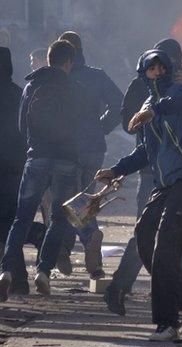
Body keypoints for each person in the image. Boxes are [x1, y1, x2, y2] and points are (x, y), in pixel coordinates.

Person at [94, 49, 182, 341]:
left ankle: (167, 323)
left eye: (161, 67)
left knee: (166, 247)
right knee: (144, 236)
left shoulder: (180, 92)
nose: (157, 73)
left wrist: (153, 110)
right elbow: (145, 151)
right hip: (164, 183)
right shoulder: (147, 103)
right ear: (142, 73)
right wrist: (116, 170)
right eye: (151, 69)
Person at [0, 41, 81, 300]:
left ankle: (6, 272)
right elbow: (83, 129)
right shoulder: (75, 88)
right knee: (57, 219)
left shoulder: (31, 85)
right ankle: (43, 272)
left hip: (36, 159)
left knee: (20, 218)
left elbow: (23, 126)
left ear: (48, 59)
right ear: (69, 62)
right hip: (66, 162)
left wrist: (35, 148)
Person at [53, 31, 123, 280]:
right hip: (93, 146)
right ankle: (77, 250)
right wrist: (101, 128)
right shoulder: (97, 76)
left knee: (66, 198)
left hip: (66, 148)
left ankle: (77, 242)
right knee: (83, 196)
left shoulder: (58, 77)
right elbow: (119, 104)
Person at [0, 47, 47, 295]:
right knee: (9, 221)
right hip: (18, 165)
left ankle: (38, 235)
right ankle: (18, 280)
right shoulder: (21, 93)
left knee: (7, 223)